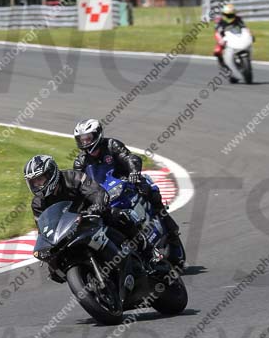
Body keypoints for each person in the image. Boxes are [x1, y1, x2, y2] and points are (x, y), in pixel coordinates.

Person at [24, 154, 160, 281]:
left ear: (51, 173)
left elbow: (98, 193)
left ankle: (149, 254)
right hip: (68, 230)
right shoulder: (38, 203)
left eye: (40, 179)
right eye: (33, 182)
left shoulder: (73, 178)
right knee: (55, 270)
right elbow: (43, 229)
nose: (37, 185)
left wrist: (97, 205)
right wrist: (45, 247)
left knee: (121, 216)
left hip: (92, 215)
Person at [72, 119, 185, 266]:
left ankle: (172, 235)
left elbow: (129, 157)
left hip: (127, 183)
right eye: (82, 139)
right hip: (104, 195)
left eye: (88, 138)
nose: (85, 142)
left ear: (97, 135)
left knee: (150, 193)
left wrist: (133, 172)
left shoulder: (112, 145)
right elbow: (78, 184)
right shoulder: (80, 162)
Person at [214, 2, 245, 83]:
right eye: (228, 14)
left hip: (237, 38)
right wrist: (220, 40)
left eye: (231, 14)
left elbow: (244, 28)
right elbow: (217, 32)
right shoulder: (220, 21)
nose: (229, 16)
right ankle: (225, 68)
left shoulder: (238, 19)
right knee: (217, 51)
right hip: (225, 40)